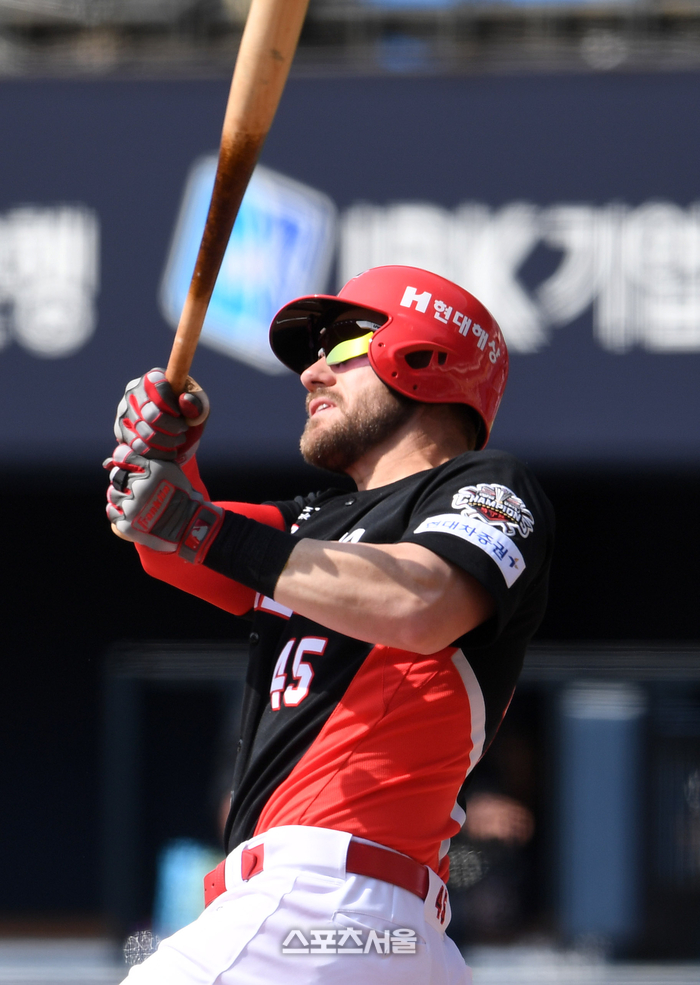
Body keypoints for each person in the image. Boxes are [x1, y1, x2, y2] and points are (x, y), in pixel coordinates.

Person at [105, 264, 554, 984]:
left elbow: (421, 602)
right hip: (375, 932)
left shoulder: (489, 484)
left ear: (423, 354)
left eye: (341, 345)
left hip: (324, 898)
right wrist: (165, 454)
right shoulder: (312, 523)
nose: (311, 372)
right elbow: (170, 543)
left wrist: (193, 522)